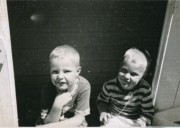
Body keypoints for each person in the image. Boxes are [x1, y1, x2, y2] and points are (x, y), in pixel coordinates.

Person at [97, 48, 154, 127]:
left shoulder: (144, 89)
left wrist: (141, 122)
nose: (127, 76)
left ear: (142, 76)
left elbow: (148, 112)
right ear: (119, 68)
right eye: (124, 70)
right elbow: (101, 101)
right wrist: (103, 112)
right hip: (115, 118)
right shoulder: (110, 85)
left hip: (135, 120)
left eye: (133, 74)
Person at [36, 45, 91, 127]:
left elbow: (79, 119)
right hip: (51, 120)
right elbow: (47, 122)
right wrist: (57, 105)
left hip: (72, 123)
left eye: (66, 71)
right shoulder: (47, 89)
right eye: (55, 72)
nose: (60, 76)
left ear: (77, 71)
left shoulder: (83, 86)